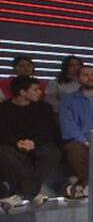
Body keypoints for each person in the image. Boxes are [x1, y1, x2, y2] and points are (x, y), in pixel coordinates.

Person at [0, 76, 61, 211]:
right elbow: (2, 132)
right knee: (5, 154)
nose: (40, 92)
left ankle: (24, 192)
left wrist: (34, 143)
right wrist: (17, 142)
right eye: (35, 89)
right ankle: (33, 193)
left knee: (52, 153)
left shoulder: (44, 108)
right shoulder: (3, 109)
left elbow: (50, 131)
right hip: (14, 144)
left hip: (38, 143)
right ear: (22, 92)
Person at [58, 65, 93, 200]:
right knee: (74, 149)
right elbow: (68, 127)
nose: (90, 78)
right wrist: (85, 142)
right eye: (85, 75)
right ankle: (88, 185)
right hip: (80, 142)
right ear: (78, 78)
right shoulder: (68, 100)